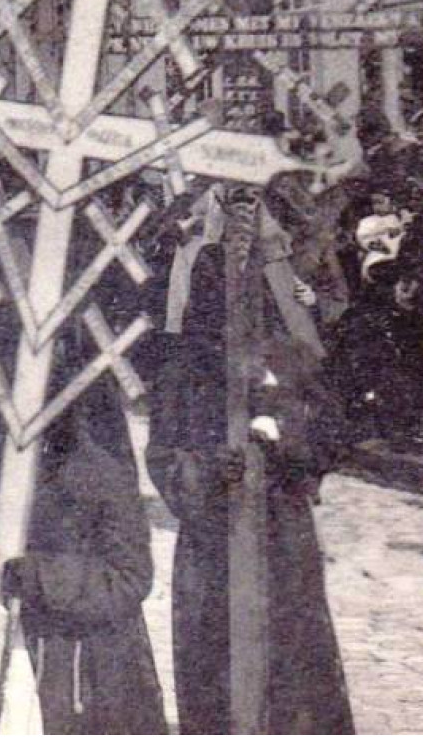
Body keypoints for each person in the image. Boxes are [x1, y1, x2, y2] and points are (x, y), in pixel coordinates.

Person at [147, 241, 354, 734]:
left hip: (282, 534)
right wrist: (210, 471)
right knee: (213, 662)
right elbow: (163, 455)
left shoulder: (287, 355)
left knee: (293, 665)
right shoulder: (183, 371)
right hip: (211, 540)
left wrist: (282, 430)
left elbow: (331, 434)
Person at [0, 385, 166, 734]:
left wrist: (41, 576)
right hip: (13, 652)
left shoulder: (103, 478)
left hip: (86, 666)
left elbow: (130, 577)